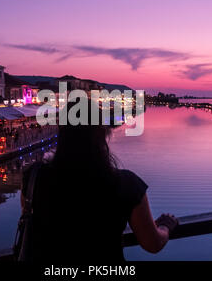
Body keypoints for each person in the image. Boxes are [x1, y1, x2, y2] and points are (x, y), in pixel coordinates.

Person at [21, 100, 178, 262]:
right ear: (101, 132)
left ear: (62, 130)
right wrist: (165, 225)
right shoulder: (127, 184)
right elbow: (152, 244)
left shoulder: (34, 177)